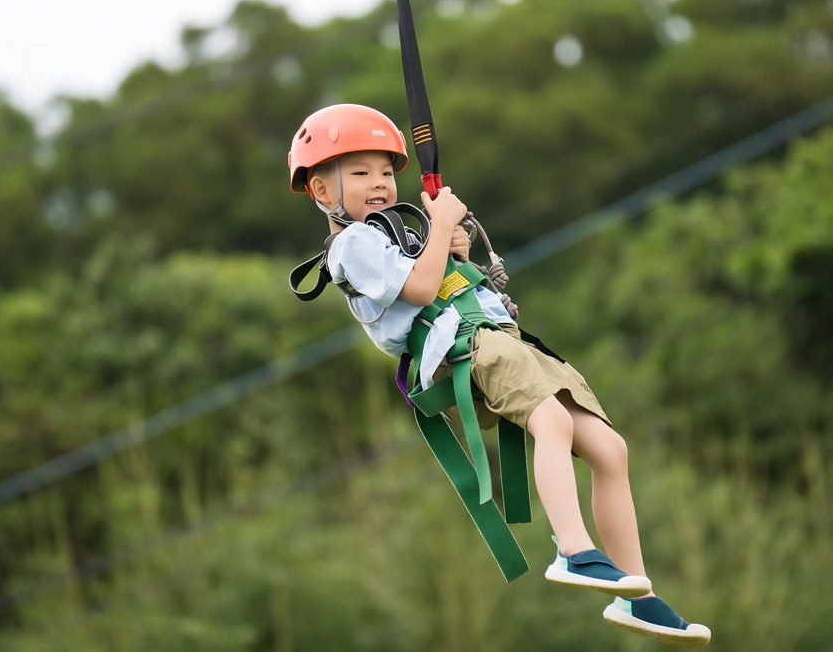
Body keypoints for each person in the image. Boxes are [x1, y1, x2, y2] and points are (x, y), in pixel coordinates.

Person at [287, 103, 711, 647]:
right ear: (323, 192)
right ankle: (575, 550)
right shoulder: (354, 244)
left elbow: (439, 272)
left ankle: (640, 600)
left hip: (500, 337)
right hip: (461, 345)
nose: (381, 184)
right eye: (362, 172)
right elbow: (418, 291)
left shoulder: (397, 233)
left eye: (388, 172)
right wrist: (440, 227)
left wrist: (454, 246)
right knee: (552, 422)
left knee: (610, 449)